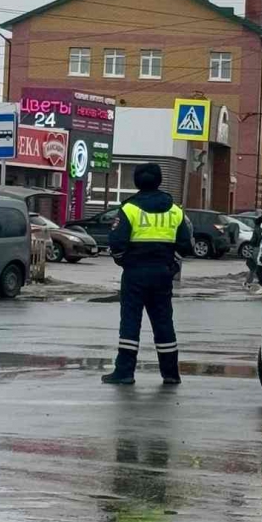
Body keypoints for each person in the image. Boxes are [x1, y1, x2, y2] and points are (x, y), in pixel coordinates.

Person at [102, 163, 194, 386]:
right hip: (162, 274)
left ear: (136, 182)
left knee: (131, 323)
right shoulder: (175, 211)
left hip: (135, 273)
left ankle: (124, 372)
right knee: (164, 322)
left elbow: (116, 243)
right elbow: (186, 246)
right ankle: (171, 373)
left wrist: (124, 261)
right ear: (159, 180)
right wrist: (171, 266)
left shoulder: (129, 209)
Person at [244, 215, 262, 288]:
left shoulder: (257, 229)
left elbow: (253, 240)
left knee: (254, 268)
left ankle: (248, 282)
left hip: (256, 248)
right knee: (261, 267)